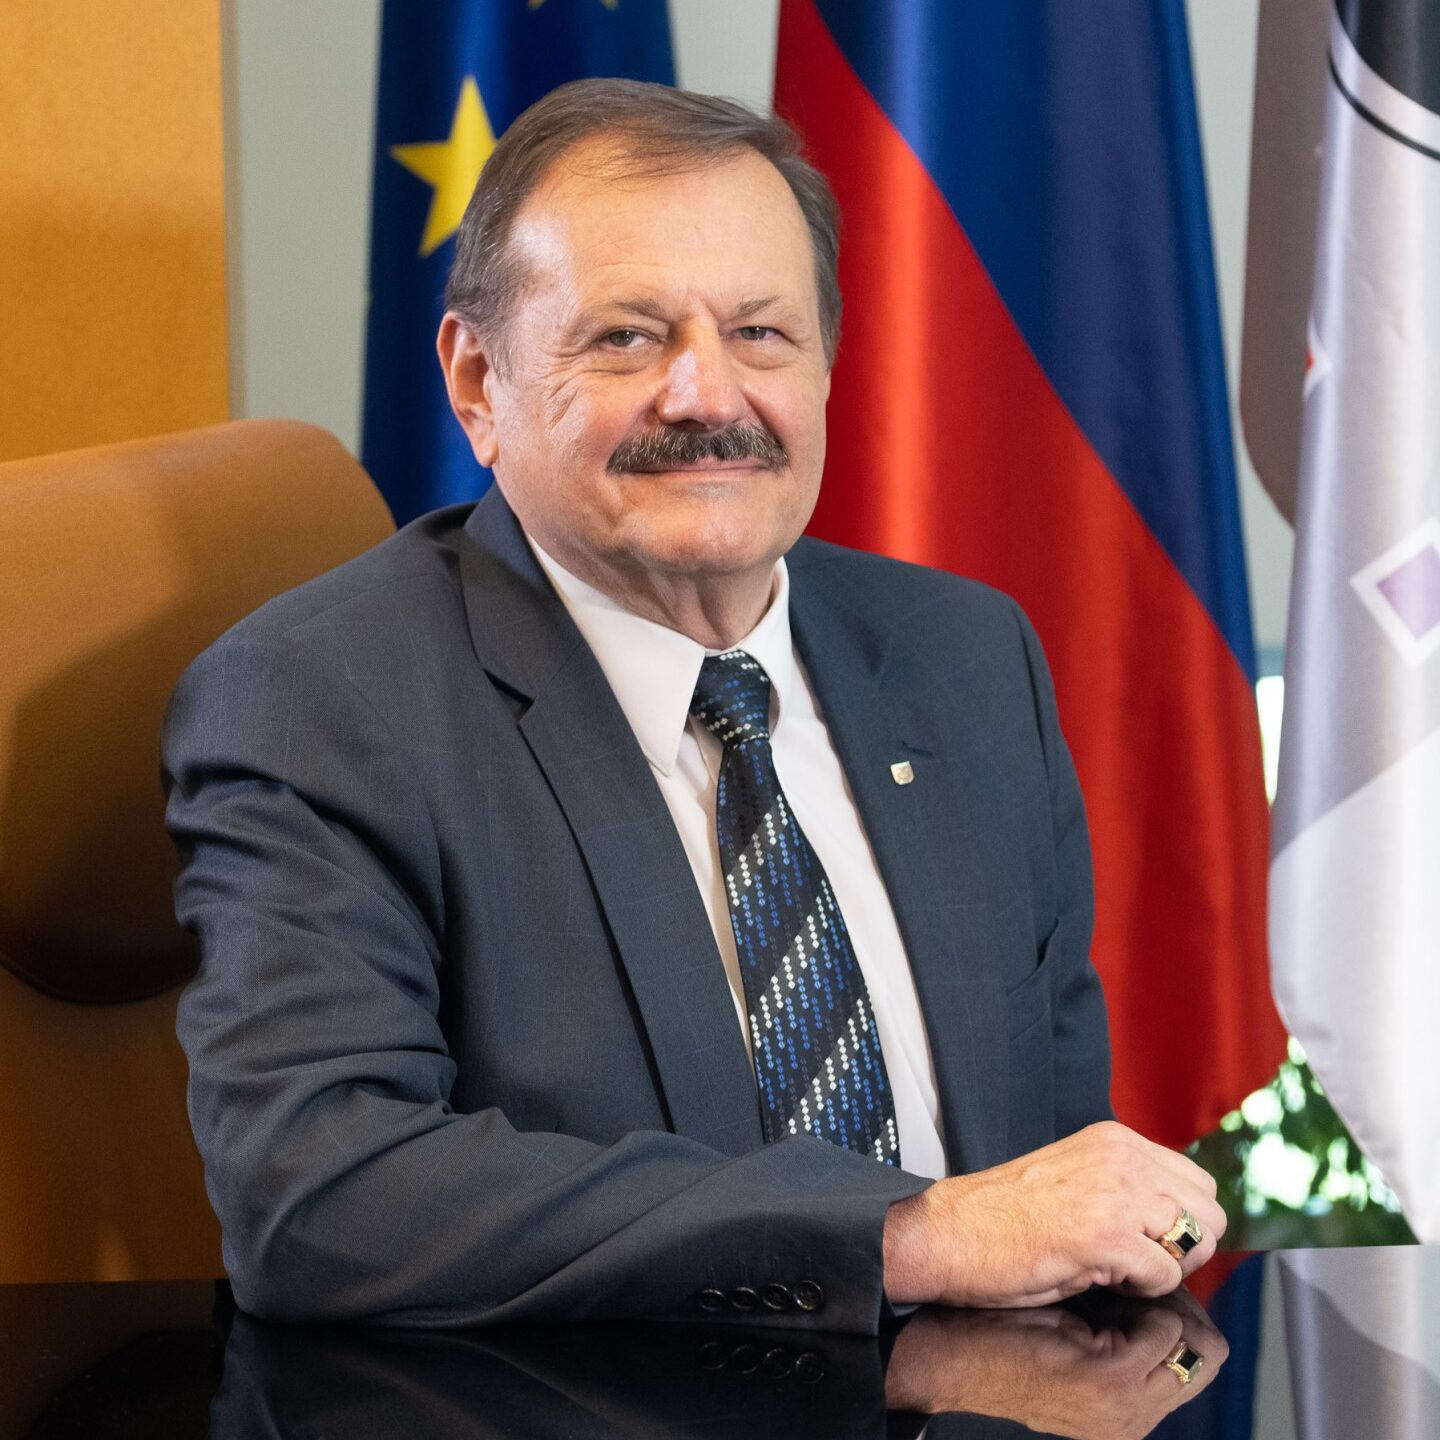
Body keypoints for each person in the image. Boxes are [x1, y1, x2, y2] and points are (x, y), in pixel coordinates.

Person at [164, 79, 1225, 1330]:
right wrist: (901, 1237)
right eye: (628, 338)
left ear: (826, 364)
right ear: (478, 383)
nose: (708, 397)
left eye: (762, 333)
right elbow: (318, 1199)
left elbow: (1049, 1154)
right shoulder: (323, 703)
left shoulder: (967, 659)